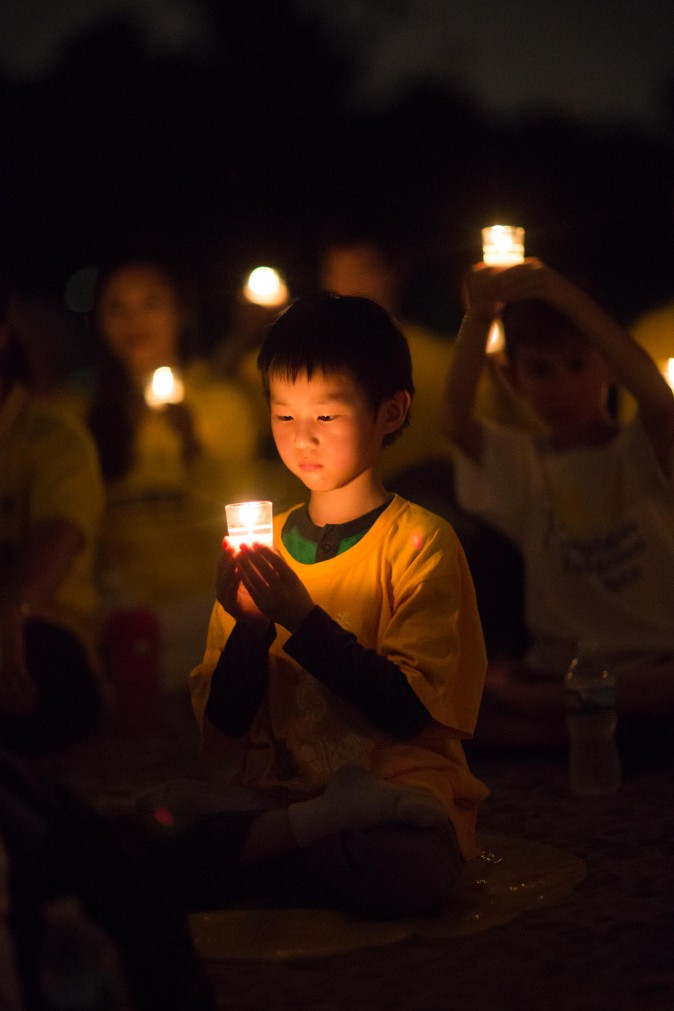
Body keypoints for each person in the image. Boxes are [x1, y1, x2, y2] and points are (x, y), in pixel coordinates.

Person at [183, 292, 488, 918]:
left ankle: (268, 856)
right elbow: (224, 733)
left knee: (406, 865)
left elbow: (414, 714)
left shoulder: (419, 542)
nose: (303, 440)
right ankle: (306, 834)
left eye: (326, 417)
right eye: (284, 416)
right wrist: (249, 627)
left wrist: (302, 619)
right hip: (282, 789)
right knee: (158, 821)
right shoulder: (263, 549)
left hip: (399, 786)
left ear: (390, 411)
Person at [442, 258, 674, 749]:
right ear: (513, 378)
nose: (562, 386)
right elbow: (455, 421)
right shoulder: (522, 463)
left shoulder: (639, 450)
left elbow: (658, 402)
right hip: (556, 668)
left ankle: (562, 720)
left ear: (606, 365)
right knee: (453, 695)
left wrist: (563, 295)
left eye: (577, 364)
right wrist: (481, 313)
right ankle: (579, 719)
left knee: (655, 694)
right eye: (541, 370)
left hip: (649, 664)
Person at [85, 256, 261, 695]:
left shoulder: (222, 405)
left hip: (200, 598)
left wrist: (192, 447)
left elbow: (234, 510)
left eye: (151, 304)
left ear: (181, 313)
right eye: (117, 309)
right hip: (117, 604)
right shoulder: (81, 413)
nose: (134, 322)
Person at [0, 285, 104, 754]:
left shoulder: (51, 435)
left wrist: (9, 608)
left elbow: (58, 532)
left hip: (44, 629)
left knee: (36, 664)